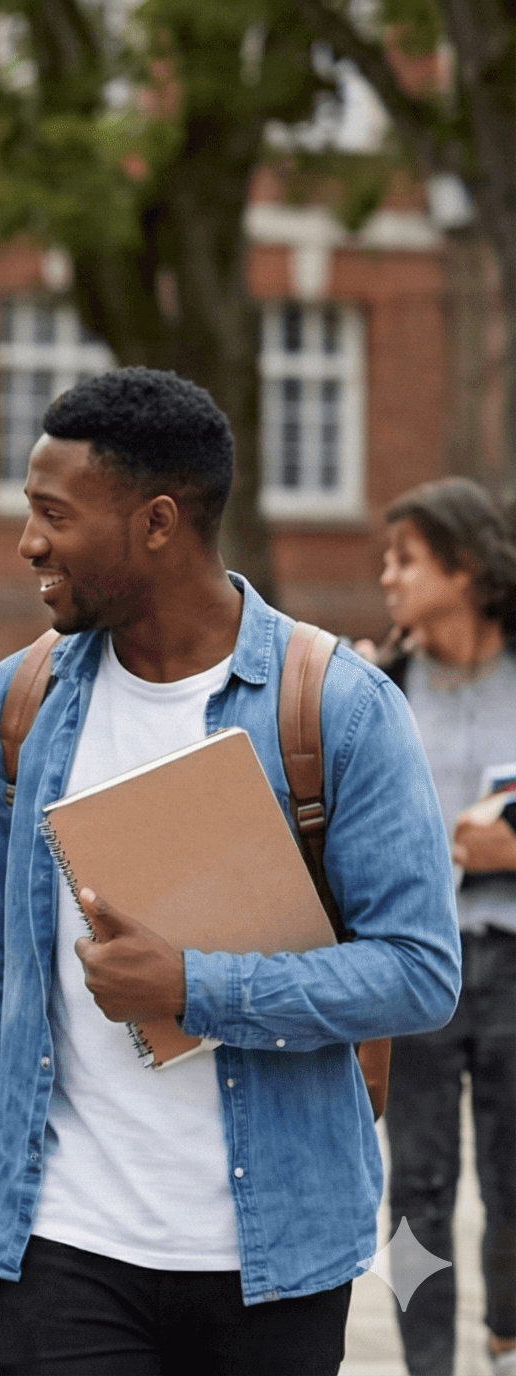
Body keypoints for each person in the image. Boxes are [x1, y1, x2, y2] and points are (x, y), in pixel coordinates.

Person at [0, 368, 460, 1374]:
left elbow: (419, 971)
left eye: (52, 514)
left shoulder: (332, 705)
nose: (28, 541)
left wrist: (192, 988)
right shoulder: (20, 700)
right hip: (63, 1240)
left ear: (155, 520)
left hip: (273, 1254)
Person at [368, 477, 516, 1376]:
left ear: (463, 569)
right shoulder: (377, 688)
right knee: (415, 1192)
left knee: (514, 1181)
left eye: (406, 560)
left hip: (515, 962)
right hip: (417, 970)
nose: (388, 578)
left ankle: (508, 1344)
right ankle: (428, 1365)